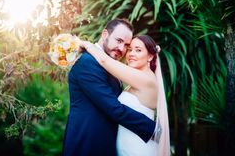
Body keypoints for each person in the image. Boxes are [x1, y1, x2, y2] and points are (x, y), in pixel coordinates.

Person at [62, 19, 156, 156]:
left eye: (126, 45)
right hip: (87, 144)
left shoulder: (111, 66)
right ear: (105, 34)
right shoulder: (88, 63)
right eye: (119, 41)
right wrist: (152, 128)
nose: (122, 49)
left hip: (107, 144)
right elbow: (113, 107)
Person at [80, 34, 170, 156]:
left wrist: (87, 45)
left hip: (139, 149)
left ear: (150, 56)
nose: (131, 54)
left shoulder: (146, 80)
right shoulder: (136, 81)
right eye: (130, 49)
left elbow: (104, 61)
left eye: (138, 50)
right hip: (127, 147)